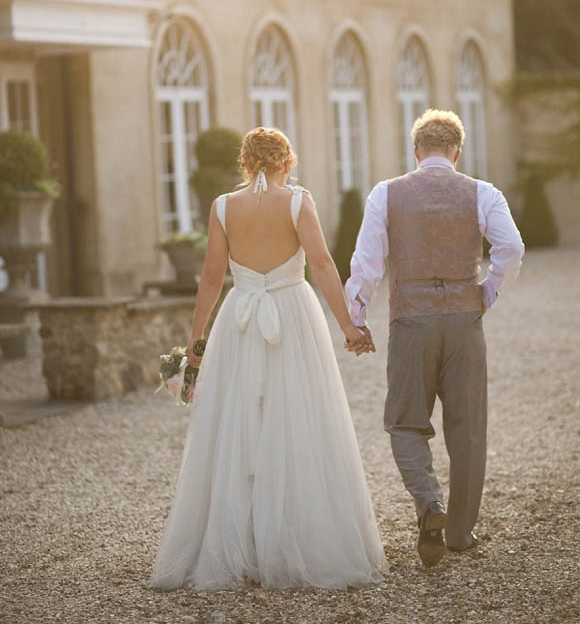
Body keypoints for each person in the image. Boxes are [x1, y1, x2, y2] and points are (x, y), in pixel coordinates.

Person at [150, 127, 387, 591]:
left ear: (245, 163)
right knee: (298, 420)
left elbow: (211, 280)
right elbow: (321, 265)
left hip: (238, 317)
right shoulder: (299, 202)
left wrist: (196, 345)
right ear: (287, 163)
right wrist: (348, 327)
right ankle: (296, 540)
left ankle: (241, 545)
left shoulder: (222, 206)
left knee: (238, 427)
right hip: (293, 315)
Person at [345, 109, 525, 567]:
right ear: (457, 151)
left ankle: (430, 505)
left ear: (417, 150)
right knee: (468, 429)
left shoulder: (387, 193)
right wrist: (487, 291)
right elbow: (512, 248)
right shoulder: (483, 192)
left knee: (405, 422)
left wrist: (356, 316)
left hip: (410, 322)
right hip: (465, 321)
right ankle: (461, 533)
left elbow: (367, 262)